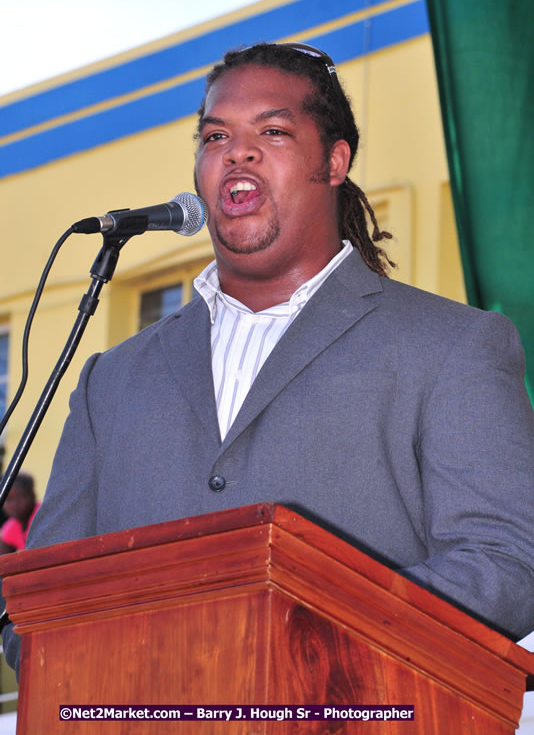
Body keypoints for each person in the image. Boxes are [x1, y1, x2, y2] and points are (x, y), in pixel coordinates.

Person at [2, 43, 534, 675]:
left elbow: (505, 562)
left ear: (334, 161)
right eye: (215, 136)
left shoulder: (450, 346)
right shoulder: (109, 381)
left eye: (273, 131)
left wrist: (299, 638)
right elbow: (36, 613)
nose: (238, 151)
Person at [0, 472, 40, 554]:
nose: (14, 504)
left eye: (19, 497)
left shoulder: (45, 515)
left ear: (32, 495)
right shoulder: (10, 527)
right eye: (8, 499)